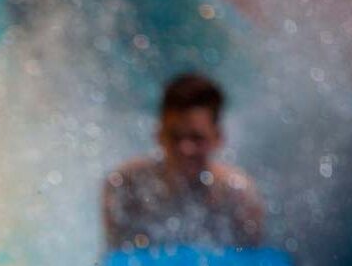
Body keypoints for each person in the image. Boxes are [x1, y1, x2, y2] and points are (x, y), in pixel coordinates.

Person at [103, 72, 265, 251]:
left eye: (197, 138)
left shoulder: (238, 196)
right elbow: (114, 262)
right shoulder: (126, 186)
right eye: (175, 136)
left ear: (218, 137)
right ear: (159, 134)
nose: (185, 148)